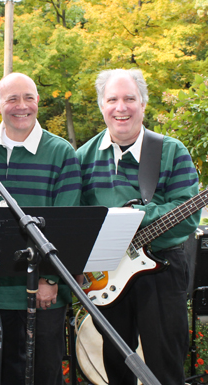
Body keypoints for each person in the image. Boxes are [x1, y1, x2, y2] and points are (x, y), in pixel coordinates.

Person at [77, 68, 200, 385]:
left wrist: (132, 217)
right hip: (105, 274)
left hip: (163, 270)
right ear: (101, 105)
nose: (121, 107)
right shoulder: (82, 157)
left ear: (143, 104)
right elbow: (75, 219)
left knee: (165, 364)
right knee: (116, 365)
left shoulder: (171, 151)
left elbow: (187, 216)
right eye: (113, 99)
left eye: (130, 98)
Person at [0, 72, 82, 385]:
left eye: (28, 97)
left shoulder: (60, 152)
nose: (21, 106)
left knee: (43, 372)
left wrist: (49, 278)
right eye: (12, 99)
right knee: (2, 372)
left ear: (37, 101)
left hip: (43, 291)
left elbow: (67, 220)